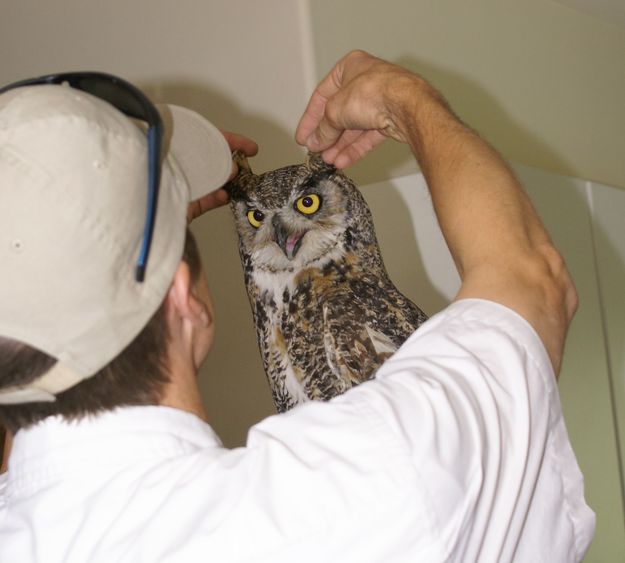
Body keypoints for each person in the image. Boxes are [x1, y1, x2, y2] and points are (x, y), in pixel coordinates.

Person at [0, 50, 594, 561]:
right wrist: (404, 98)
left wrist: (120, 243)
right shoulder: (345, 491)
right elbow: (528, 279)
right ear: (182, 298)